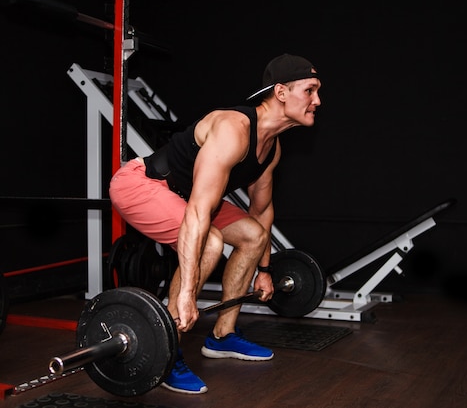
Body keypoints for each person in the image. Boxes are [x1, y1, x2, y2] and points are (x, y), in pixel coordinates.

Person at [108, 53, 321, 394]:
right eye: (310, 90)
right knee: (211, 240)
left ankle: (222, 336)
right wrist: (187, 295)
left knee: (252, 234)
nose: (317, 101)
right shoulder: (233, 129)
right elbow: (197, 213)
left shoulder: (272, 148)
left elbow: (261, 211)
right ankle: (164, 351)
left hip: (187, 196)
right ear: (281, 92)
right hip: (142, 184)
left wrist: (264, 269)